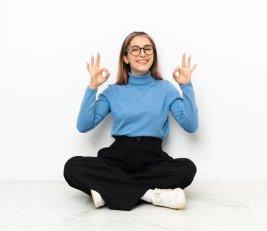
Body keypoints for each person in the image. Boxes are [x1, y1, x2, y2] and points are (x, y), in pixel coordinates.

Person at [63, 31, 198, 211]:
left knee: (187, 168)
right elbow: (84, 125)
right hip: (117, 158)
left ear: (153, 55)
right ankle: (150, 195)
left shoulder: (166, 89)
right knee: (72, 167)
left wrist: (186, 86)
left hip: (153, 160)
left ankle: (108, 191)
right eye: (135, 49)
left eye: (147, 49)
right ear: (125, 58)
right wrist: (92, 87)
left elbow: (191, 126)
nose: (142, 53)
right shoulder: (113, 91)